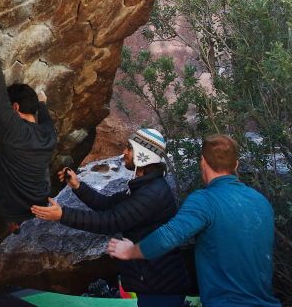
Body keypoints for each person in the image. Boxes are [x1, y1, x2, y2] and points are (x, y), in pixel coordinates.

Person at [107, 134, 281, 307]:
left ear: (202, 162)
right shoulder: (261, 201)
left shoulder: (205, 201)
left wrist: (130, 251)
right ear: (236, 164)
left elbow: (168, 237)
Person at [31, 128, 192, 307]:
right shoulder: (145, 185)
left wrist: (63, 215)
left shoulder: (151, 194)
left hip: (161, 285)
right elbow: (107, 204)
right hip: (155, 280)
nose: (124, 152)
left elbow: (109, 221)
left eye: (129, 148)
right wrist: (77, 185)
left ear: (142, 155)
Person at [0, 17, 57, 234]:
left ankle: (12, 221)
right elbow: (45, 117)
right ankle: (23, 220)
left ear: (14, 107)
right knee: (40, 170)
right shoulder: (49, 135)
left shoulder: (13, 129)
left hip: (7, 207)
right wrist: (42, 104)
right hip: (38, 202)